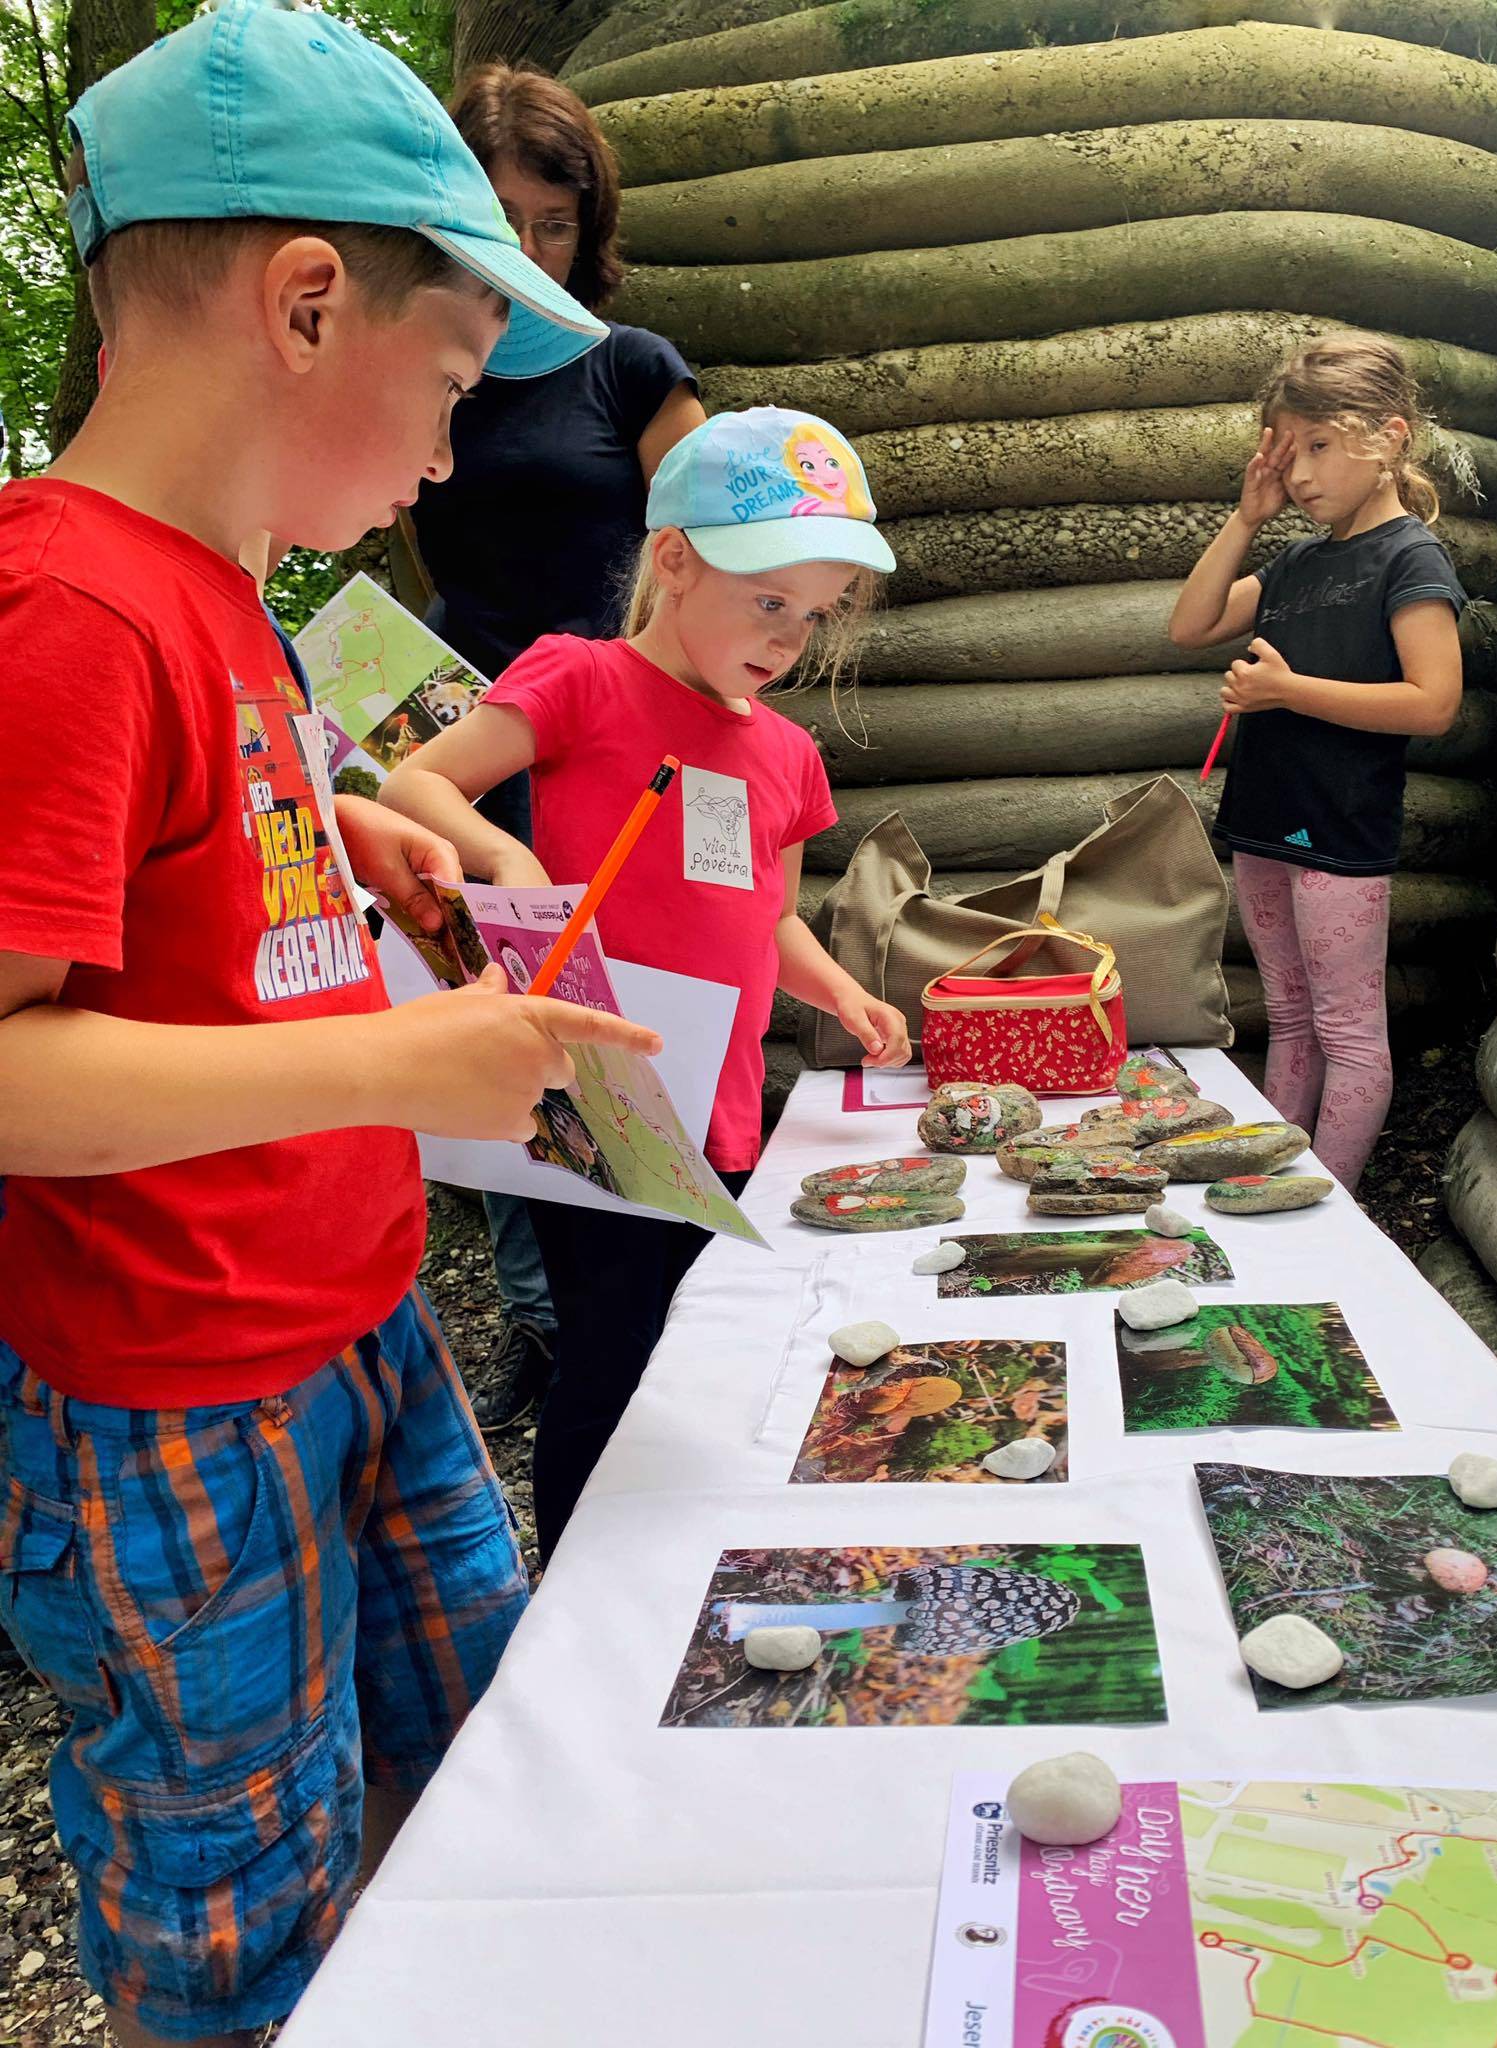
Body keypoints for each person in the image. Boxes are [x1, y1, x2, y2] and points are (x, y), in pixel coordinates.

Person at [0, 6, 664, 2043]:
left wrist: (343, 823)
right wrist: (396, 1062)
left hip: (352, 1314)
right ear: (306, 309)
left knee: (489, 1766)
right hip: (177, 1401)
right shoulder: (69, 610)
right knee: (242, 1914)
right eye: (452, 386)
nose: (453, 460)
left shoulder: (216, 590)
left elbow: (190, 880)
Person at [382, 407, 912, 1554]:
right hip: (590, 1098)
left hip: (716, 1110)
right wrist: (508, 860)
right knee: (612, 1351)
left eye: (810, 615)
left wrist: (845, 996)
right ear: (673, 558)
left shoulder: (787, 753)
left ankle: (670, 1559)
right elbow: (416, 781)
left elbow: (768, 920)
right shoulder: (583, 678)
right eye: (767, 599)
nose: (786, 637)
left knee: (696, 1347)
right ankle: (578, 1576)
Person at [409, 63, 708, 1437]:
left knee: (632, 1043)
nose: (528, 247)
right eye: (498, 215)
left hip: (611, 745)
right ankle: (547, 1328)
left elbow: (698, 564)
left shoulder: (633, 367)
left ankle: (656, 1320)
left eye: (554, 219)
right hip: (466, 744)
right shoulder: (423, 368)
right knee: (496, 1038)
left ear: (591, 227)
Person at [1169, 331, 1465, 1190]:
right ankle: (1272, 1188)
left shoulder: (1411, 559)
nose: (1299, 476)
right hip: (1266, 822)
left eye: (1320, 449)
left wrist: (1288, 692)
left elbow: (1433, 703)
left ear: (1391, 435)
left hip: (1341, 832)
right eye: (1287, 455)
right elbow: (1190, 625)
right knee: (1291, 1018)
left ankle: (1331, 1212)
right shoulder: (1298, 560)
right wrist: (1246, 517)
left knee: (1348, 1032)